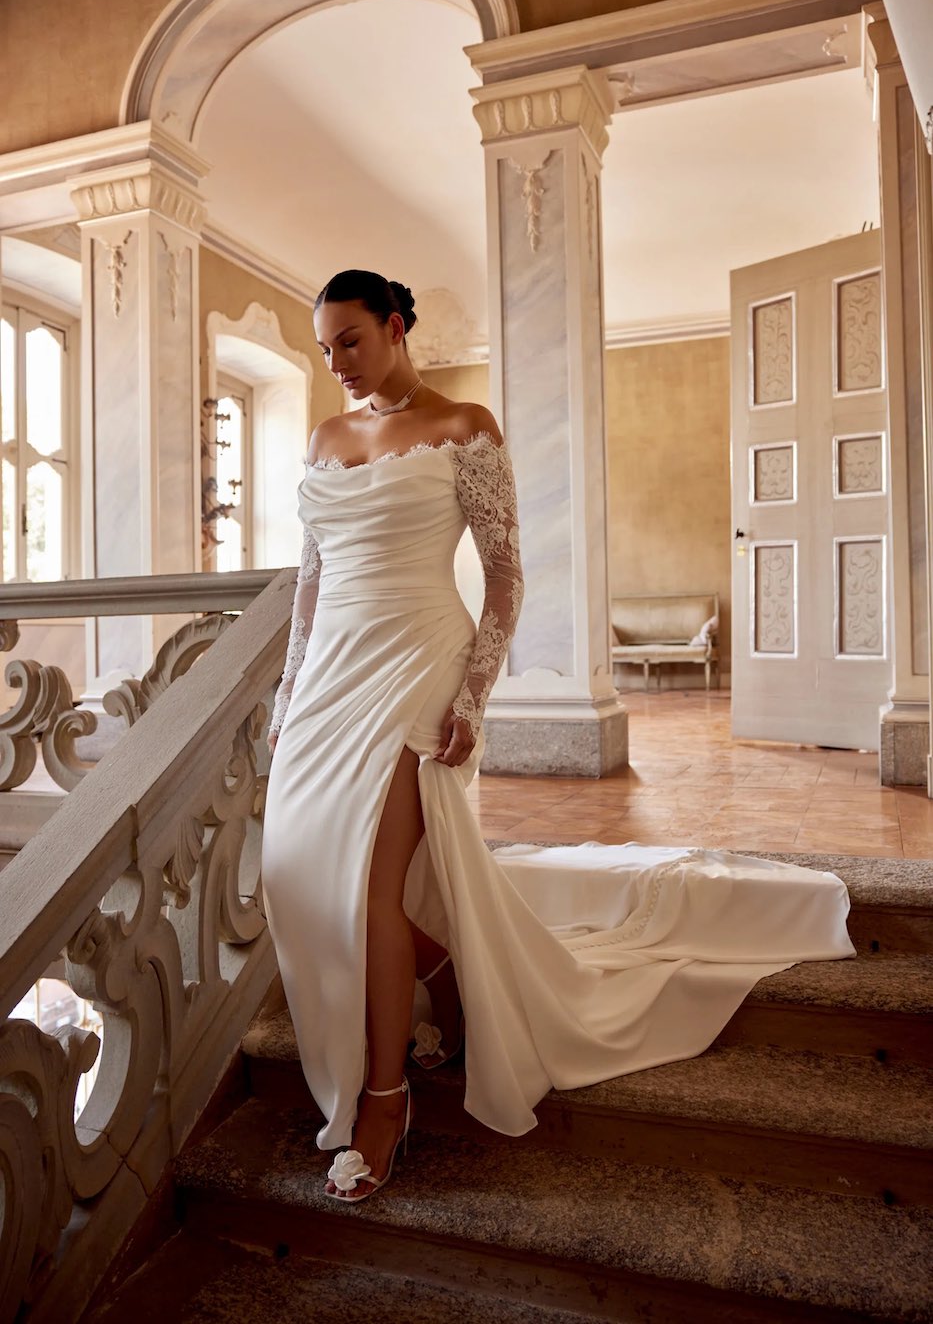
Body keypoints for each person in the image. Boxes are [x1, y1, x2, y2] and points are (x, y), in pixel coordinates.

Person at [260, 269, 855, 1206]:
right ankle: (445, 966)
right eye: (325, 344)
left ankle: (384, 1099)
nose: (335, 362)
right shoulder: (325, 439)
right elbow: (310, 580)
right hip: (331, 672)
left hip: (419, 661)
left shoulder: (465, 426)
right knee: (296, 871)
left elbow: (504, 578)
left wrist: (473, 696)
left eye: (351, 340)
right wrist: (289, 690)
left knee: (368, 882)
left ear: (397, 327)